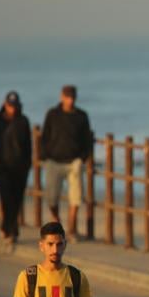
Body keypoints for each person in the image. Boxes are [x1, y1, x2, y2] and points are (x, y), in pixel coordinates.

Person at [39, 85, 93, 239]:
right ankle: (56, 219)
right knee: (51, 195)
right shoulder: (53, 114)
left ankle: (71, 228)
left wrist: (82, 158)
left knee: (76, 197)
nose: (70, 100)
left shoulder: (81, 116)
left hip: (73, 162)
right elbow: (44, 136)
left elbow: (87, 139)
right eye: (67, 97)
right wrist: (45, 155)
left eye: (72, 97)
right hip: (54, 161)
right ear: (62, 97)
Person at [0, 91, 33, 249]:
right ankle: (10, 229)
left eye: (15, 106)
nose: (12, 109)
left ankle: (10, 227)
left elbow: (28, 145)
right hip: (2, 166)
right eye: (10, 106)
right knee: (6, 197)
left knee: (17, 199)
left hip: (20, 167)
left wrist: (28, 164)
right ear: (5, 105)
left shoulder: (23, 121)